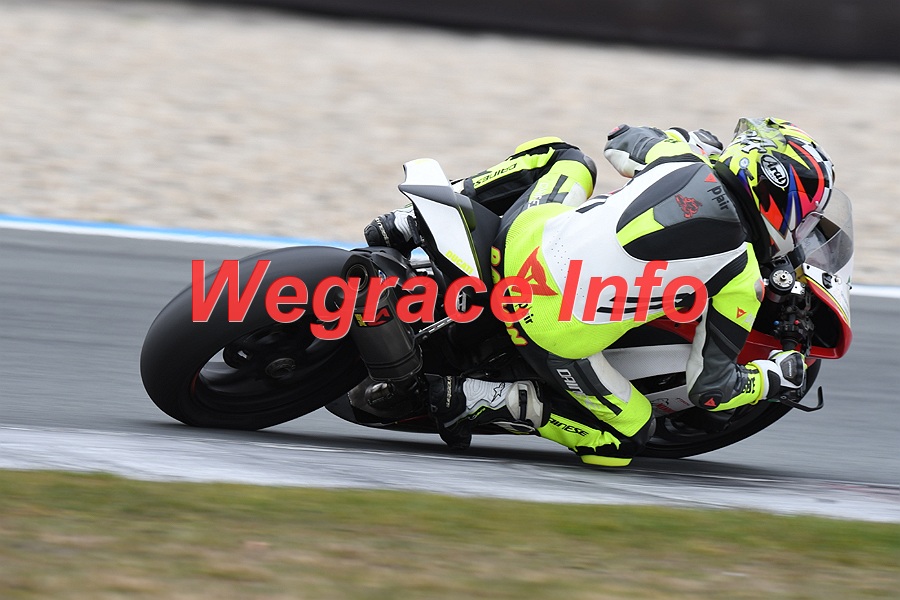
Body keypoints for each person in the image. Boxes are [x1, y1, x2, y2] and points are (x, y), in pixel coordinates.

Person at [363, 118, 835, 467]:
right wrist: (774, 378)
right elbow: (710, 391)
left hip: (519, 241)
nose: (802, 226)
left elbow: (620, 139)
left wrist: (685, 138)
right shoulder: (742, 277)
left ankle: (411, 221)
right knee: (626, 437)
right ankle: (477, 398)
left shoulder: (679, 158)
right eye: (807, 215)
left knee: (566, 157)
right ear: (781, 195)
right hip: (548, 331)